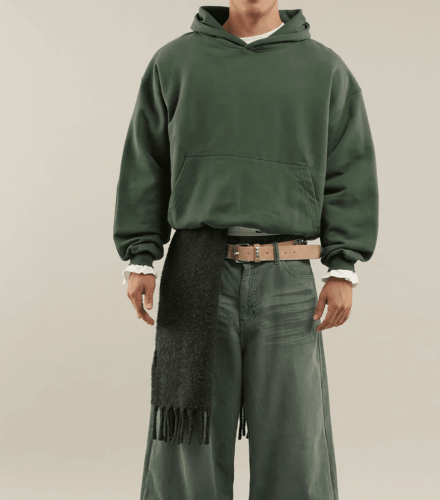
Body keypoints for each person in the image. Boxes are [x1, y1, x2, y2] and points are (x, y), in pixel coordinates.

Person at [113, 3, 378, 499]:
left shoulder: (324, 69)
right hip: (198, 272)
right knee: (187, 438)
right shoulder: (175, 62)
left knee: (295, 441)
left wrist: (343, 266)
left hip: (287, 276)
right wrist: (140, 255)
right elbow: (146, 161)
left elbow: (349, 167)